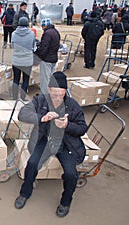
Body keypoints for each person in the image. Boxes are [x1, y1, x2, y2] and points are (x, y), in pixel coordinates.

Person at [14, 71, 88, 218]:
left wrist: (67, 125)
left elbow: (82, 128)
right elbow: (22, 113)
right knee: (32, 164)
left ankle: (66, 202)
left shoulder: (73, 105)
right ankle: (24, 193)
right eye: (54, 95)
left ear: (65, 92)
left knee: (71, 174)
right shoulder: (41, 100)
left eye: (61, 95)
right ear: (48, 90)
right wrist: (42, 117)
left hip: (66, 144)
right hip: (44, 140)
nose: (58, 98)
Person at [34, 18, 60, 95]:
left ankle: (43, 98)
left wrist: (36, 57)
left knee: (44, 80)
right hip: (53, 58)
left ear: (44, 26)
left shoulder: (47, 34)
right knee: (50, 79)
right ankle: (49, 94)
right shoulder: (55, 32)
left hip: (47, 60)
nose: (42, 28)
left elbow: (43, 48)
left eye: (42, 26)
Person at [11, 17, 35, 100]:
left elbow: (12, 45)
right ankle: (22, 97)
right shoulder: (31, 34)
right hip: (28, 61)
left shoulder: (14, 34)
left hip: (16, 61)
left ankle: (14, 98)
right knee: (25, 79)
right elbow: (33, 46)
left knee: (16, 79)